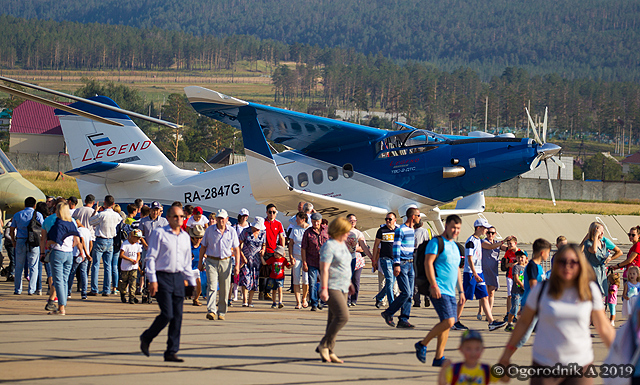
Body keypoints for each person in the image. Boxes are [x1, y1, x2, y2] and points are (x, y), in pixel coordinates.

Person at [498, 244, 615, 384]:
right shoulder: (541, 290)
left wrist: (624, 356)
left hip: (579, 365)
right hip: (544, 365)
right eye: (562, 261)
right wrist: (506, 356)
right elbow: (523, 323)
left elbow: (604, 327)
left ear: (581, 265)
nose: (567, 266)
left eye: (573, 262)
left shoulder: (589, 290)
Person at [140, 206, 192, 362]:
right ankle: (147, 337)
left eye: (181, 216)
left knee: (178, 316)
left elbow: (187, 262)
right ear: (168, 218)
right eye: (175, 216)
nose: (178, 219)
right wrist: (152, 279)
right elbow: (151, 257)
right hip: (162, 277)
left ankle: (171, 351)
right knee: (167, 313)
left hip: (178, 277)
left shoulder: (185, 237)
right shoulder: (159, 233)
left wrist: (191, 282)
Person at [415, 215, 465, 366]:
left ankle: (438, 358)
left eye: (458, 228)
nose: (455, 231)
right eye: (453, 227)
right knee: (450, 321)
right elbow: (428, 263)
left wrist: (461, 291)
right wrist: (433, 285)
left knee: (447, 323)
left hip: (450, 291)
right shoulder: (436, 242)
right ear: (446, 226)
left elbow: (457, 270)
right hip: (439, 288)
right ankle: (422, 344)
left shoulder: (455, 247)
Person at [453, 219, 505, 331]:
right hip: (471, 273)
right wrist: (475, 273)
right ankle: (455, 321)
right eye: (484, 228)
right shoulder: (470, 241)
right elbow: (469, 258)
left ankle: (491, 322)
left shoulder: (479, 241)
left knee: (484, 296)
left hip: (479, 272)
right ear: (478, 228)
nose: (486, 230)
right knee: (464, 298)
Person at [316, 217, 354, 364]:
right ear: (339, 231)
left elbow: (344, 266)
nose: (348, 234)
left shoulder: (342, 245)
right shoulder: (329, 246)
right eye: (345, 231)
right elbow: (324, 268)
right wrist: (324, 289)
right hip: (332, 286)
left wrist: (350, 282)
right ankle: (324, 344)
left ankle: (330, 350)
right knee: (343, 316)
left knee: (332, 319)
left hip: (343, 286)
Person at [381, 207, 420, 329]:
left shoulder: (412, 230)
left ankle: (403, 319)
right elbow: (396, 248)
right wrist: (396, 264)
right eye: (418, 216)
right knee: (406, 292)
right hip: (402, 264)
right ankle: (388, 312)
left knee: (409, 294)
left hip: (410, 264)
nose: (420, 218)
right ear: (413, 217)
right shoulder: (400, 230)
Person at [199, 209, 240, 321]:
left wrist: (237, 265)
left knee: (225, 288)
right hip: (211, 261)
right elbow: (203, 246)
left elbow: (236, 249)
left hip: (226, 262)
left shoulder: (231, 231)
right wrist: (200, 262)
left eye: (222, 218)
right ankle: (211, 311)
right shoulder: (209, 230)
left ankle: (221, 311)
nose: (220, 220)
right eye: (219, 218)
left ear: (227, 219)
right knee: (212, 286)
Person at [46, 202, 83, 315]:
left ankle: (61, 307)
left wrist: (48, 244)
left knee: (58, 281)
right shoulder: (72, 223)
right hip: (69, 254)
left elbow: (55, 239)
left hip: (58, 253)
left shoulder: (58, 224)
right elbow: (77, 240)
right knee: (64, 280)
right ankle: (63, 305)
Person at [516, 238, 552, 348]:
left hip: (538, 304)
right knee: (524, 336)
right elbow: (534, 286)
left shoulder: (539, 267)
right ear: (542, 253)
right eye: (548, 253)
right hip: (531, 304)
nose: (548, 255)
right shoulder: (532, 266)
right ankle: (510, 351)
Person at [88, 195, 123, 296]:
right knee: (108, 266)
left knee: (96, 265)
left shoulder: (101, 214)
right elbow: (120, 221)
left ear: (104, 203)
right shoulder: (117, 215)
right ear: (113, 204)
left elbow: (91, 221)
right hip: (110, 240)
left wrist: (95, 211)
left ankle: (94, 289)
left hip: (100, 239)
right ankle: (107, 289)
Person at [10, 196, 44, 295]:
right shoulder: (38, 215)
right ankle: (31, 289)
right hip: (33, 242)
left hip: (20, 240)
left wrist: (13, 241)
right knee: (33, 266)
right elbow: (43, 227)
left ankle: (18, 289)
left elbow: (12, 230)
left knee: (19, 266)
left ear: (24, 204)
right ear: (34, 205)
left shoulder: (17, 215)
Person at [582, 222, 623, 296]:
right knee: (592, 296)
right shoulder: (588, 243)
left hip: (601, 273)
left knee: (601, 296)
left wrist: (610, 258)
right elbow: (594, 250)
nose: (602, 233)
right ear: (595, 231)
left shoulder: (603, 243)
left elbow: (619, 252)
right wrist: (595, 236)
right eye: (601, 231)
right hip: (592, 274)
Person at [301, 212, 329, 311]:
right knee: (312, 283)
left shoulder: (326, 231)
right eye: (313, 222)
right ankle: (313, 303)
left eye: (317, 222)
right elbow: (303, 248)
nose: (315, 224)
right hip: (312, 261)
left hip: (324, 262)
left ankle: (322, 301)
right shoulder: (308, 232)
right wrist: (304, 262)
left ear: (321, 221)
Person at [344, 214, 373, 307]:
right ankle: (346, 299)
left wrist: (372, 257)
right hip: (344, 259)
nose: (353, 222)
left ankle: (353, 299)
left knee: (355, 280)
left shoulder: (358, 233)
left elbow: (364, 247)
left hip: (356, 259)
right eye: (350, 220)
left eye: (354, 221)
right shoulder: (342, 232)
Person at [238, 217, 266, 307]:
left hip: (257, 260)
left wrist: (263, 250)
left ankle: (250, 301)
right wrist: (242, 256)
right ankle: (245, 300)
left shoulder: (263, 233)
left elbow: (264, 244)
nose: (257, 229)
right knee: (246, 279)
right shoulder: (246, 231)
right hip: (246, 259)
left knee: (254, 281)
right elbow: (238, 245)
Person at [373, 212, 398, 308]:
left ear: (394, 220)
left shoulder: (398, 231)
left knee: (390, 281)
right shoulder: (381, 231)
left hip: (395, 259)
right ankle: (392, 303)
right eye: (386, 219)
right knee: (389, 279)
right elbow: (375, 246)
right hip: (385, 258)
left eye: (390, 219)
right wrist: (374, 260)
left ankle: (379, 297)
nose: (388, 221)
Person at [477, 226, 503, 319]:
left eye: (492, 233)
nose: (490, 235)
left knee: (491, 292)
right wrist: (503, 242)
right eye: (488, 233)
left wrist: (512, 244)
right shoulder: (483, 241)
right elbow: (490, 247)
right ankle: (480, 311)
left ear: (495, 234)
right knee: (484, 292)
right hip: (483, 270)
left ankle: (489, 313)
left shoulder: (497, 243)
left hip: (493, 271)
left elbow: (506, 248)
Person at [262, 204, 285, 301]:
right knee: (264, 273)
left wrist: (282, 250)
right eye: (270, 212)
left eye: (274, 212)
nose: (272, 214)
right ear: (267, 212)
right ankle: (263, 292)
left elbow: (282, 237)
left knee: (274, 273)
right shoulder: (263, 223)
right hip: (265, 251)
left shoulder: (278, 224)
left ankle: (268, 291)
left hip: (274, 252)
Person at [287, 211, 310, 309]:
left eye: (297, 219)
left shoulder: (309, 229)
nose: (296, 220)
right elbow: (291, 244)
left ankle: (304, 298)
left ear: (303, 219)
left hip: (307, 257)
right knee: (296, 279)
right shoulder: (294, 229)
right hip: (296, 256)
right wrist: (291, 256)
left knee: (305, 280)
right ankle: (298, 301)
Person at [67, 219, 92, 300]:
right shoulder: (87, 231)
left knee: (72, 272)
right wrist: (88, 252)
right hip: (85, 255)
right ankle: (84, 293)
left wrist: (84, 252)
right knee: (84, 273)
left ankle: (68, 291)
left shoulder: (77, 230)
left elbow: (81, 241)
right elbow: (90, 243)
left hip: (77, 254)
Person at [505, 250, 527, 331]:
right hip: (517, 291)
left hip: (524, 292)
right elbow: (516, 279)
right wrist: (524, 286)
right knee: (515, 308)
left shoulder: (527, 267)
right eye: (518, 257)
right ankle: (509, 323)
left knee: (524, 309)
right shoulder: (516, 267)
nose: (520, 259)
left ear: (526, 258)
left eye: (522, 257)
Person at [413, 219, 433, 308]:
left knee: (414, 278)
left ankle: (417, 301)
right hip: (426, 253)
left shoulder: (412, 232)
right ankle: (427, 296)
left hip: (415, 254)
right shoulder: (427, 231)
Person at [119, 229, 143, 304]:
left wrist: (137, 260)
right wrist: (130, 259)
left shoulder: (137, 245)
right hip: (125, 267)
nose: (137, 240)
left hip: (134, 267)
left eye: (139, 238)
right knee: (124, 282)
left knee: (133, 283)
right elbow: (121, 255)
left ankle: (132, 297)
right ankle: (123, 294)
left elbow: (138, 254)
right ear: (132, 236)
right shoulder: (125, 244)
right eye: (136, 238)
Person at [501, 236, 520, 321]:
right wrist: (510, 265)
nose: (509, 245)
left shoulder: (521, 252)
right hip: (510, 275)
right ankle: (508, 313)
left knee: (517, 296)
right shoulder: (508, 252)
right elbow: (505, 264)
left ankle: (514, 313)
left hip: (519, 276)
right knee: (509, 295)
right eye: (508, 244)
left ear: (515, 243)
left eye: (510, 244)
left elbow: (525, 262)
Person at [188, 225, 206, 306]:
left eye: (200, 238)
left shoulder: (202, 247)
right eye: (197, 238)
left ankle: (196, 299)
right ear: (192, 237)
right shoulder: (188, 245)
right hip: (187, 268)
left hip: (197, 267)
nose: (199, 240)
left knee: (200, 282)